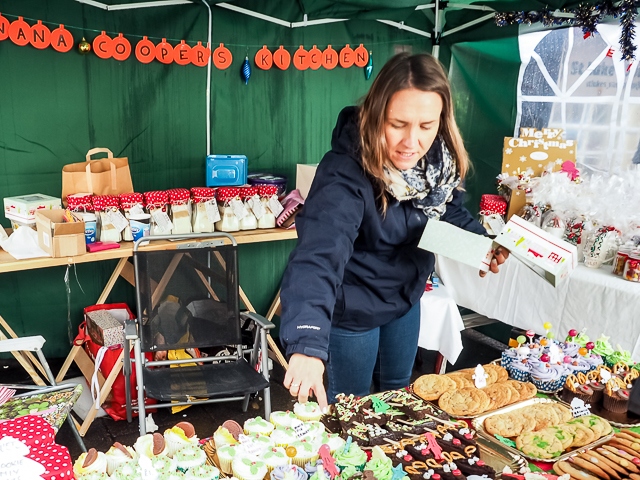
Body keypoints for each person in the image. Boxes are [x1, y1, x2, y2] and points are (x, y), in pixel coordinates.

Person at [279, 52, 509, 410]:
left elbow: (448, 210)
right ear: (374, 115)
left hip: (404, 300)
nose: (411, 142)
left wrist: (483, 243)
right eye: (397, 124)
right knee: (353, 409)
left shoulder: (437, 164)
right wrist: (307, 344)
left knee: (400, 396)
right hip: (353, 311)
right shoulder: (346, 172)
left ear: (442, 122)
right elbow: (318, 255)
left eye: (426, 126)